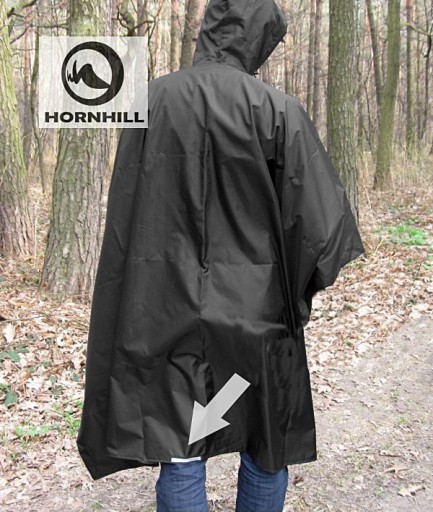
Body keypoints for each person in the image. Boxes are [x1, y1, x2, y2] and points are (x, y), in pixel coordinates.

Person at [77, 0, 364, 510]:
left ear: (209, 29)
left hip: (164, 311)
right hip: (256, 317)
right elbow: (321, 227)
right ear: (258, 37)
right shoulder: (277, 110)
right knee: (265, 443)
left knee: (182, 446)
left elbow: (126, 218)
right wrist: (294, 297)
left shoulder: (152, 100)